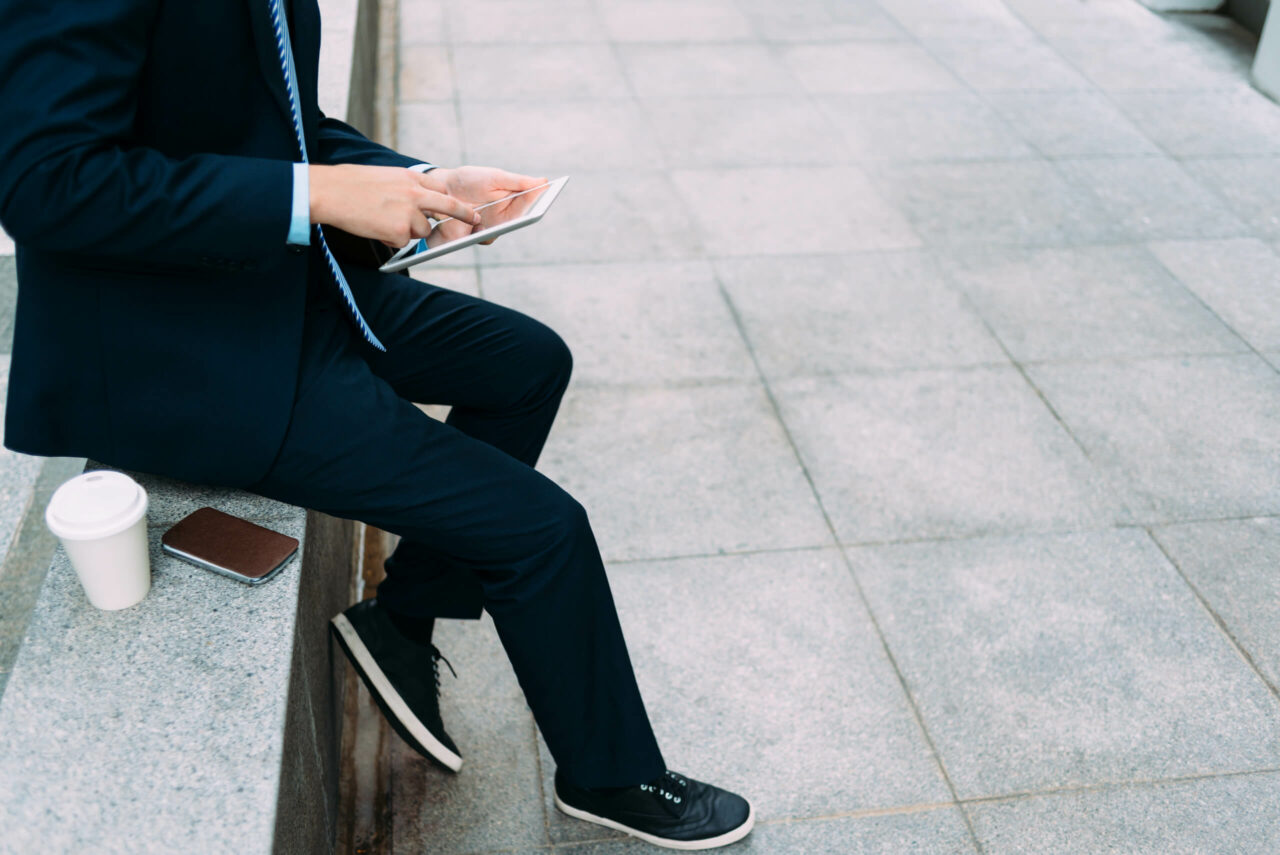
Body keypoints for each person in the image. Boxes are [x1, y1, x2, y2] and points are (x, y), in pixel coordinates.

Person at [0, 0, 755, 849]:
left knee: (528, 362)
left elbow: (281, 121)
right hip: (184, 349)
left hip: (274, 286)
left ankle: (401, 618)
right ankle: (609, 774)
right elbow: (44, 181)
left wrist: (427, 183)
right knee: (542, 528)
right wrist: (314, 195)